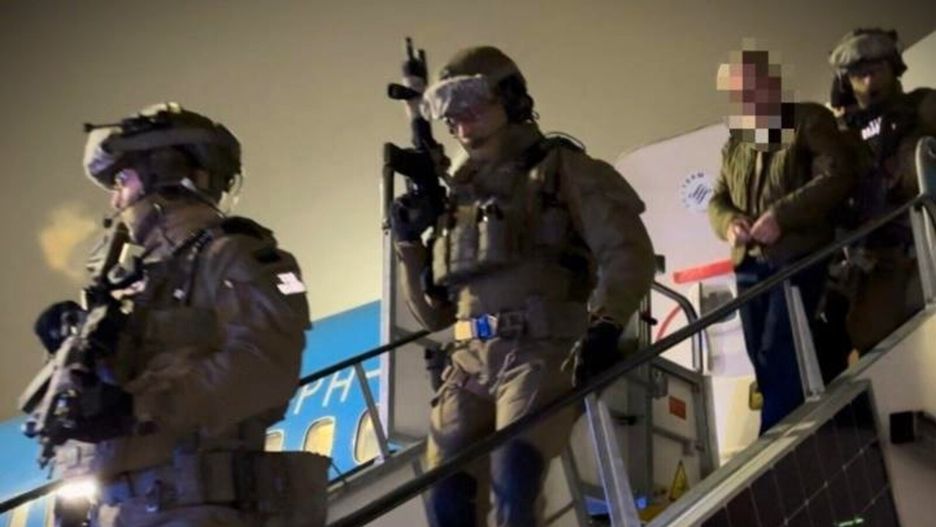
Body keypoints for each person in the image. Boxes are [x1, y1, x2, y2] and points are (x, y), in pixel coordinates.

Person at [390, 46, 655, 526]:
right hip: (467, 363)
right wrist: (408, 244)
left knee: (516, 484)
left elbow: (627, 252)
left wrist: (607, 323)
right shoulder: (459, 197)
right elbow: (434, 315)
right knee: (448, 502)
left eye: (472, 106)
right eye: (451, 116)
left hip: (539, 351)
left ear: (510, 99)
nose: (461, 124)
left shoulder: (560, 168)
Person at [42, 103, 325, 526]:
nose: (116, 199)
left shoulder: (237, 255)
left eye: (122, 180)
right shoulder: (132, 284)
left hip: (194, 508)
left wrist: (138, 407)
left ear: (164, 173)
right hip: (119, 511)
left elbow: (265, 364)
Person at [708, 47, 854, 434]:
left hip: (797, 256)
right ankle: (782, 431)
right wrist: (729, 223)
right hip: (749, 264)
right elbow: (718, 199)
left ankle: (776, 438)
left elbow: (837, 176)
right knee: (759, 354)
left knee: (780, 349)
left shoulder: (808, 120)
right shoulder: (736, 143)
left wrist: (781, 216)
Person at [828, 28, 936, 353]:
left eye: (876, 69)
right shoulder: (839, 136)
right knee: (874, 343)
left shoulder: (923, 106)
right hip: (876, 257)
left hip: (925, 235)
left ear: (893, 68)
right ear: (846, 81)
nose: (869, 80)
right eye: (858, 74)